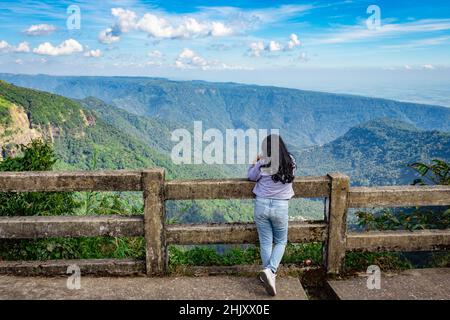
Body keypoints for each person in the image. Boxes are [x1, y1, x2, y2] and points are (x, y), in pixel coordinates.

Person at [247, 134, 296, 296]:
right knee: (281, 241)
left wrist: (255, 161)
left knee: (266, 242)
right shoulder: (291, 162)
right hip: (281, 206)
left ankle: (268, 273)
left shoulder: (263, 163)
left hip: (261, 205)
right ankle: (271, 271)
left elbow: (251, 177)